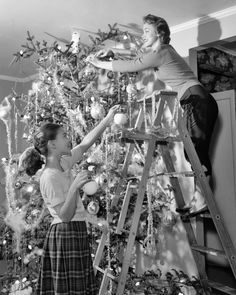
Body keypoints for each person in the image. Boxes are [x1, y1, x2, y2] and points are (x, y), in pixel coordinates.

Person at [89, 14, 218, 179]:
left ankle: (203, 201)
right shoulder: (163, 51)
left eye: (147, 30)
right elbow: (138, 56)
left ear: (159, 33)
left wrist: (100, 63)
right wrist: (113, 51)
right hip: (196, 100)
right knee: (194, 153)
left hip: (197, 101)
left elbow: (133, 64)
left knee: (195, 152)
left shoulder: (161, 51)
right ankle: (202, 200)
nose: (143, 35)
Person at [19, 104, 119, 295]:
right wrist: (74, 187)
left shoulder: (63, 162)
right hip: (65, 232)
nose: (69, 138)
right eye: (64, 135)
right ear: (52, 144)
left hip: (76, 229)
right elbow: (64, 216)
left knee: (78, 288)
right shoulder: (48, 177)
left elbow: (85, 144)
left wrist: (107, 119)